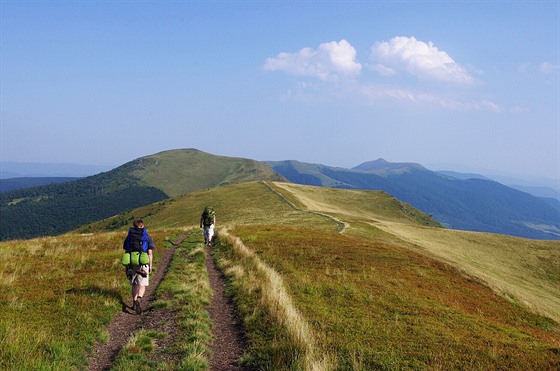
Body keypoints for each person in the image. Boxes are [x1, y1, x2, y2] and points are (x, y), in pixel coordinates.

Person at [123, 219, 155, 314]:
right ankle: (139, 299)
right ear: (143, 226)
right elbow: (150, 253)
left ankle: (134, 301)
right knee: (142, 284)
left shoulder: (129, 237)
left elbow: (126, 249)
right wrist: (150, 266)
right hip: (143, 263)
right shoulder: (147, 237)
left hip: (132, 264)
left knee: (134, 284)